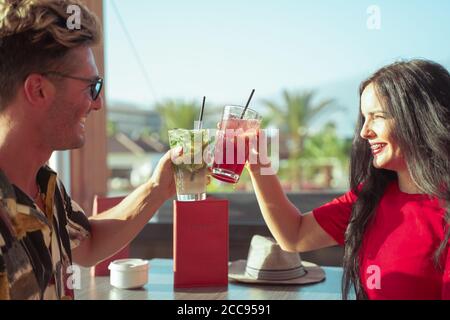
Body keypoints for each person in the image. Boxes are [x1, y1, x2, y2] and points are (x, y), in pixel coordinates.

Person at [0, 0, 176, 299]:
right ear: (38, 90)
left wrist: (159, 187)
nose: (98, 103)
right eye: (91, 87)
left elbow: (88, 244)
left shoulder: (43, 189)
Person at [247, 59, 450, 299]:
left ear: (420, 118)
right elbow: (294, 235)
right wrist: (258, 164)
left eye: (377, 116)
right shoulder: (370, 197)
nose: (365, 132)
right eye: (364, 118)